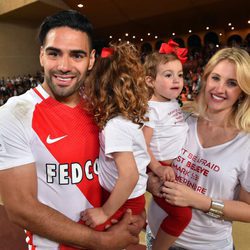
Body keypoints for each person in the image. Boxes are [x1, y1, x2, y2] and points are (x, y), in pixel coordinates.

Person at [0, 10, 144, 250]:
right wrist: (100, 241)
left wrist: (136, 210)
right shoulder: (15, 114)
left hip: (110, 232)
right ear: (41, 56)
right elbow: (21, 209)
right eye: (54, 53)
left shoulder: (102, 107)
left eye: (76, 55)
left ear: (91, 60)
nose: (64, 66)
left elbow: (128, 162)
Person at [146, 47, 250, 250]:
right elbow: (145, 153)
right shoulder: (181, 117)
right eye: (215, 78)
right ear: (206, 78)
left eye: (231, 83)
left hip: (205, 246)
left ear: (243, 92)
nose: (219, 89)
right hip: (156, 236)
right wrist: (149, 183)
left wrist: (200, 201)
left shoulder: (246, 143)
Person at [80, 43, 150, 233]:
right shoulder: (121, 120)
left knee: (103, 239)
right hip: (125, 197)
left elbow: (130, 175)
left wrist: (104, 212)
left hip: (122, 199)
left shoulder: (115, 126)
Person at [143, 40, 191, 250]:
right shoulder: (151, 109)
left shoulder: (172, 102)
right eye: (168, 75)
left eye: (179, 75)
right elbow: (142, 146)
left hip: (174, 168)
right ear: (150, 81)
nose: (177, 80)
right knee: (182, 215)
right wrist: (157, 168)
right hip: (161, 166)